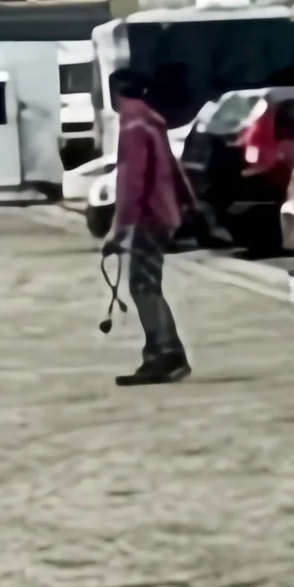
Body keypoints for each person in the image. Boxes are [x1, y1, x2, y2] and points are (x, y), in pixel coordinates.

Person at [108, 71, 195, 385]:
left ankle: (163, 353)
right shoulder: (150, 119)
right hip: (163, 213)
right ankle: (166, 352)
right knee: (148, 284)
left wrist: (119, 228)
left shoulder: (131, 122)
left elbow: (132, 179)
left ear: (115, 91)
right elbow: (172, 167)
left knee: (143, 287)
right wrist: (185, 203)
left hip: (149, 215)